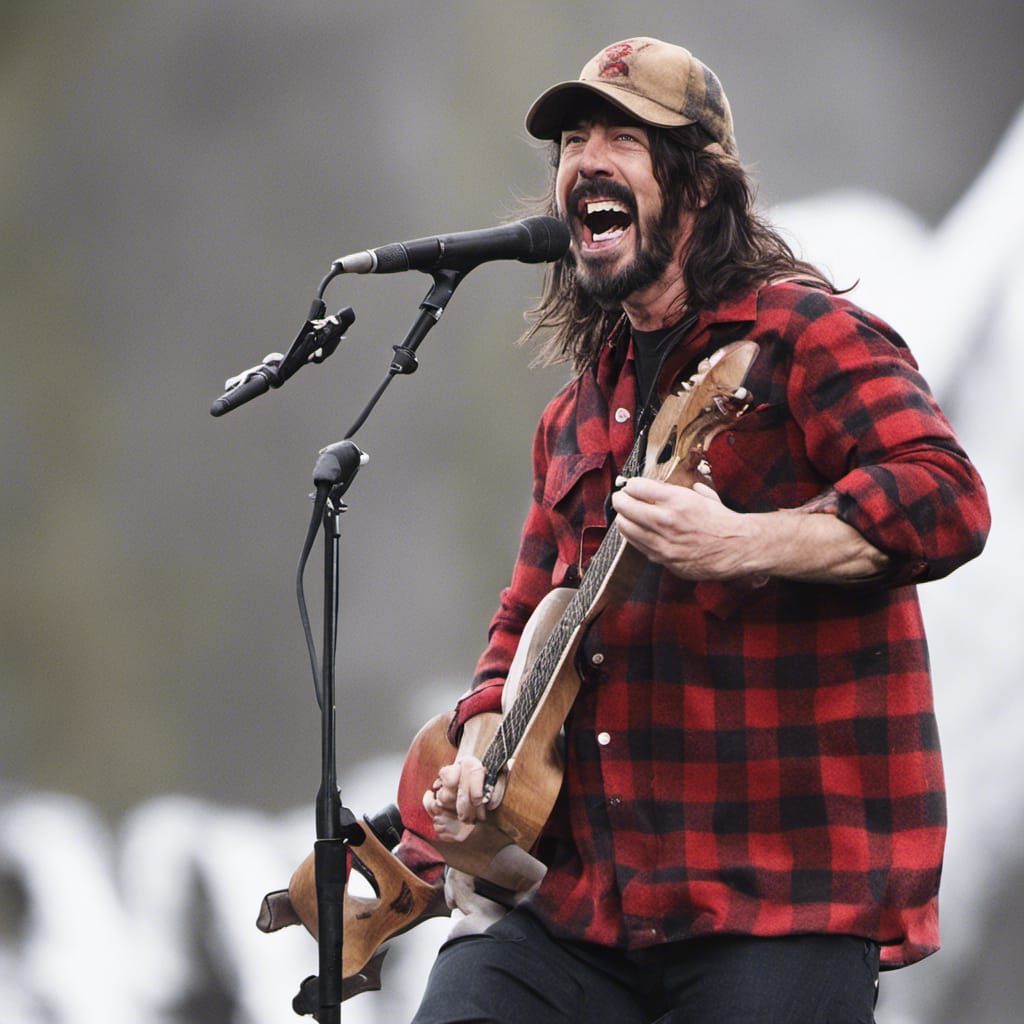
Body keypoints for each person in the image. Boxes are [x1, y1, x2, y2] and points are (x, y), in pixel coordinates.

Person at [411, 37, 990, 1023]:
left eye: (623, 139)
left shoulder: (805, 335)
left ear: (701, 186)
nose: (586, 160)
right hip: (590, 906)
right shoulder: (573, 415)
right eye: (573, 141)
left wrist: (743, 542)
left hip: (781, 902)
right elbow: (522, 614)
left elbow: (946, 496)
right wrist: (477, 741)